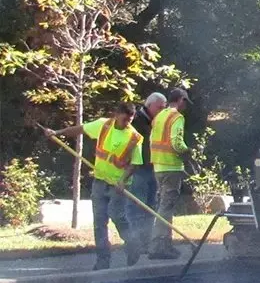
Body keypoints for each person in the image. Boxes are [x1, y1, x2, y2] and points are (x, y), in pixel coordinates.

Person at [43, 103, 143, 270]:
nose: (127, 123)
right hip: (100, 181)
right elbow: (80, 129)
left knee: (117, 216)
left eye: (130, 120)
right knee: (99, 222)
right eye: (125, 119)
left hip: (118, 184)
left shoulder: (134, 137)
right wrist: (57, 133)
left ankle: (132, 245)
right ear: (116, 114)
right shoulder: (103, 125)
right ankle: (103, 260)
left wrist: (123, 180)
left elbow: (135, 164)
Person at [148, 88, 192, 260]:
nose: (186, 106)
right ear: (180, 100)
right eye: (185, 102)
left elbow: (153, 139)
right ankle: (157, 246)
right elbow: (176, 142)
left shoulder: (159, 116)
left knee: (164, 205)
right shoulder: (177, 117)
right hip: (171, 166)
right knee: (166, 207)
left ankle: (166, 245)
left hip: (158, 165)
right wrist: (186, 152)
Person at [128, 92, 166, 254]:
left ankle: (147, 241)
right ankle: (135, 242)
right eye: (160, 107)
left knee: (150, 206)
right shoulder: (136, 121)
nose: (162, 110)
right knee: (137, 206)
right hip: (138, 169)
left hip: (153, 168)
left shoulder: (157, 122)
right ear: (150, 105)